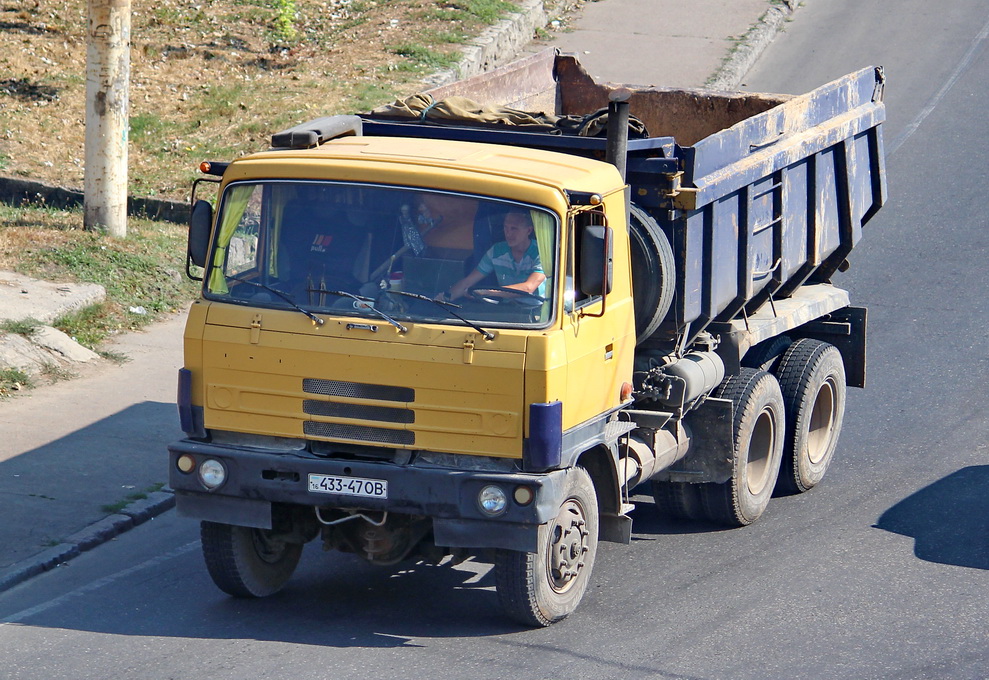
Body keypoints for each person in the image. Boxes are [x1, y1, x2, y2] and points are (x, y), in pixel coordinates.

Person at [438, 209, 546, 302]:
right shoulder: (496, 251)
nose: (508, 234)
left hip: (538, 315)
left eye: (514, 228)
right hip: (507, 309)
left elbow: (528, 288)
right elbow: (468, 282)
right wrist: (445, 298)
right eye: (505, 228)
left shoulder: (541, 253)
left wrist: (487, 292)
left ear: (528, 230)